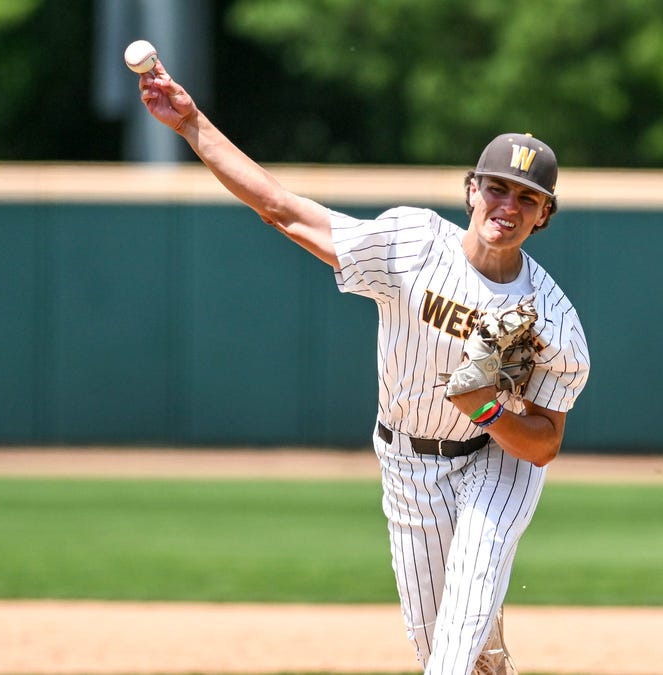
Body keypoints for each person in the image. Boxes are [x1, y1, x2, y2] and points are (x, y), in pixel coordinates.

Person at [136, 56, 589, 675]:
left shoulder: (553, 321)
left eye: (527, 197)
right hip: (407, 463)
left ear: (544, 215)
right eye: (497, 188)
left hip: (496, 462)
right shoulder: (410, 244)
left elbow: (542, 445)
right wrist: (192, 125)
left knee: (455, 643)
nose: (508, 204)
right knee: (446, 649)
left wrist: (485, 408)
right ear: (471, 191)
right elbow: (282, 209)